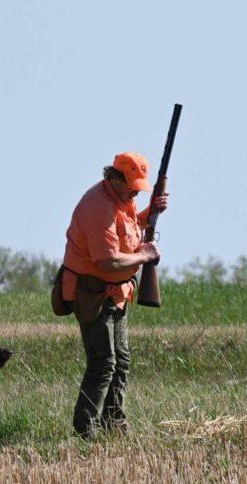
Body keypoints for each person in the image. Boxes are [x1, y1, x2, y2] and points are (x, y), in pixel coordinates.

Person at [59, 152, 167, 437]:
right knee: (103, 363)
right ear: (114, 178)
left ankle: (114, 425)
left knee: (121, 360)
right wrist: (144, 256)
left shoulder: (123, 201)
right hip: (92, 293)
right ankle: (86, 430)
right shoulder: (98, 206)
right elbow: (108, 261)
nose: (136, 191)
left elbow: (130, 232)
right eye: (132, 184)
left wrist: (150, 213)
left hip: (117, 293)